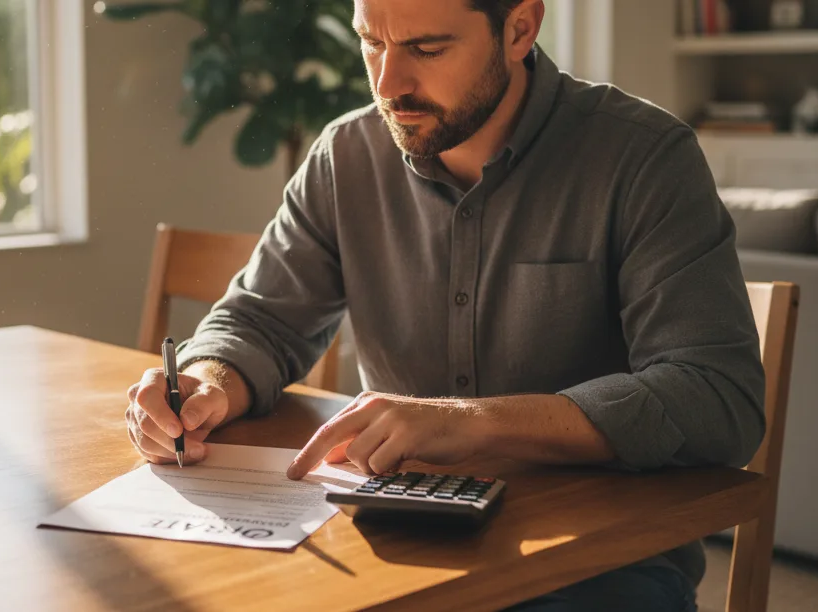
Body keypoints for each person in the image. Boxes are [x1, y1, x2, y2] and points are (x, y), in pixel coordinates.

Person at [125, 0, 765, 609]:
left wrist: (475, 421)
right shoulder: (345, 156)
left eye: (426, 49)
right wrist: (207, 383)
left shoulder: (644, 157)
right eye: (371, 43)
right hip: (395, 539)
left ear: (519, 29)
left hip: (597, 564)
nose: (388, 83)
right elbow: (259, 321)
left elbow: (718, 398)